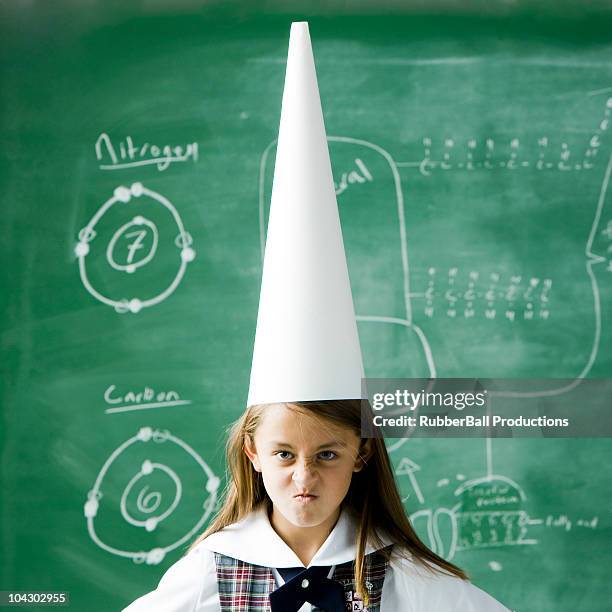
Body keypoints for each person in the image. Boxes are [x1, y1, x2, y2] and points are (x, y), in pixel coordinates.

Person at [124, 21, 510, 611]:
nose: (303, 479)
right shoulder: (215, 567)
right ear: (252, 454)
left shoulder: (401, 573)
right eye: (284, 454)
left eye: (327, 454)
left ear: (361, 453)